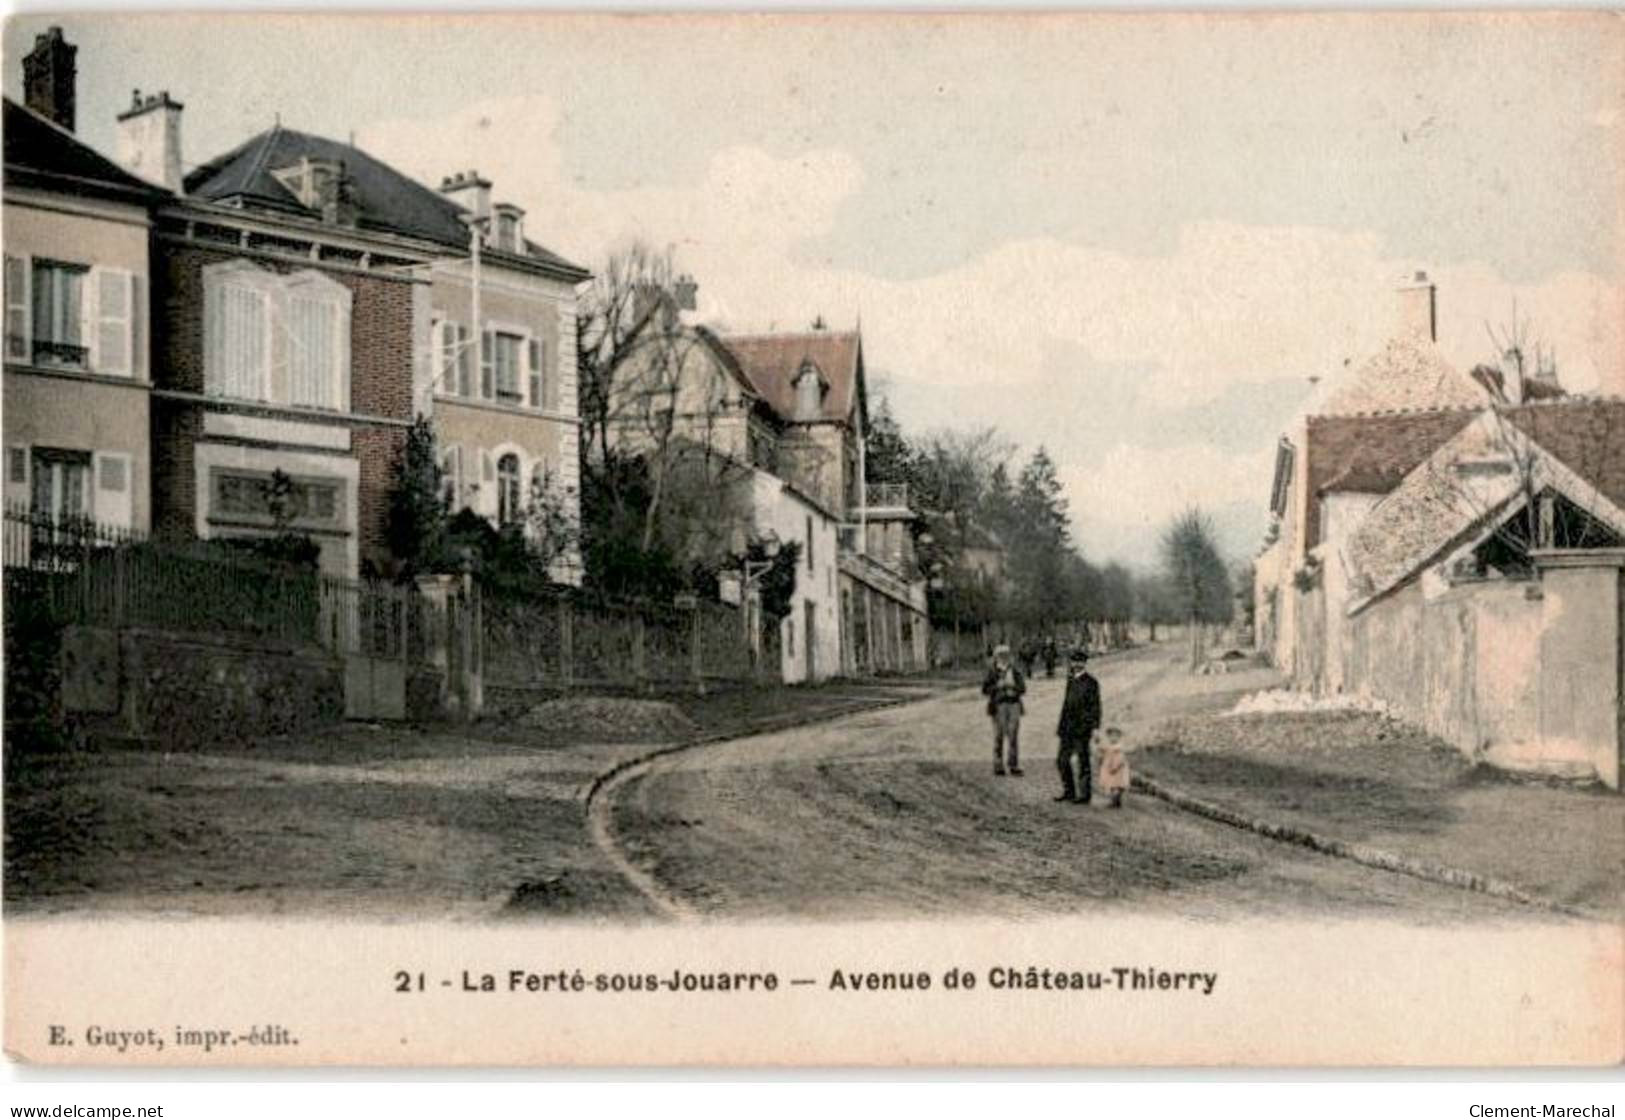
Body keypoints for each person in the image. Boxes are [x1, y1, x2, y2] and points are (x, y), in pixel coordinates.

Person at [1054, 647, 1101, 803]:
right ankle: (1069, 791)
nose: (1077, 664)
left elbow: (1096, 707)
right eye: (1074, 661)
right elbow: (1066, 705)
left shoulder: (1091, 682)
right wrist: (1061, 726)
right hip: (1067, 728)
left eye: (1080, 661)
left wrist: (1094, 727)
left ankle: (1084, 795)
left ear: (1085, 663)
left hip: (1082, 728)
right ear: (1071, 663)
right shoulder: (1071, 679)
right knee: (1062, 760)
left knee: (1083, 761)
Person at [981, 643, 1026, 777]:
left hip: (1014, 704)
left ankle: (1013, 765)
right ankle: (998, 765)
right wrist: (997, 686)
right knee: (998, 735)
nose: (1004, 658)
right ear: (996, 657)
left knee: (1013, 735)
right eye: (1001, 655)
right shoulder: (992, 672)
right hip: (998, 705)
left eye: (1006, 655)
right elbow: (984, 690)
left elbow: (1023, 688)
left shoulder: (1015, 670)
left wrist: (1014, 687)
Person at [1098, 726, 1129, 809]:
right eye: (1111, 736)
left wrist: (1115, 767)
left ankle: (1115, 801)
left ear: (1119, 737)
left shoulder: (1118, 748)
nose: (1113, 738)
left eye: (1115, 736)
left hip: (1117, 769)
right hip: (1109, 768)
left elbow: (1121, 759)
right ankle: (1115, 801)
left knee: (1117, 785)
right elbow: (1102, 750)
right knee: (1112, 785)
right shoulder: (1109, 746)